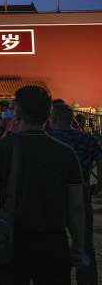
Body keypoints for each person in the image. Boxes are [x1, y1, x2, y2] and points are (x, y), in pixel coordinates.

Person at [0, 85, 85, 285]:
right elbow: (76, 206)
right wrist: (79, 244)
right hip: (53, 239)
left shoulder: (0, 149)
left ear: (17, 113)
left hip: (12, 239)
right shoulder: (65, 152)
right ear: (48, 114)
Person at [49, 103, 102, 285]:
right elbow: (100, 160)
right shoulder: (86, 138)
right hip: (82, 194)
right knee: (85, 244)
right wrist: (99, 185)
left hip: (54, 198)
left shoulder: (49, 139)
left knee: (54, 245)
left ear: (53, 119)